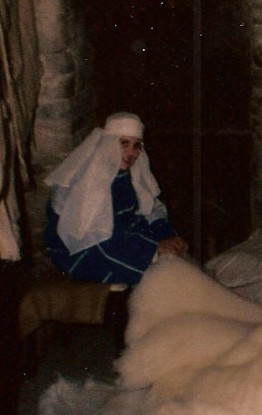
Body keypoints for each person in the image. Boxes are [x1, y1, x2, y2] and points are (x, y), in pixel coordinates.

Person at [43, 112, 188, 285]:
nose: (131, 152)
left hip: (120, 238)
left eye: (136, 145)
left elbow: (149, 209)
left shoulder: (128, 173)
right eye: (124, 143)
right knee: (161, 276)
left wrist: (166, 235)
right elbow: (92, 235)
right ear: (108, 143)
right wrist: (152, 249)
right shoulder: (86, 179)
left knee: (175, 259)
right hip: (84, 249)